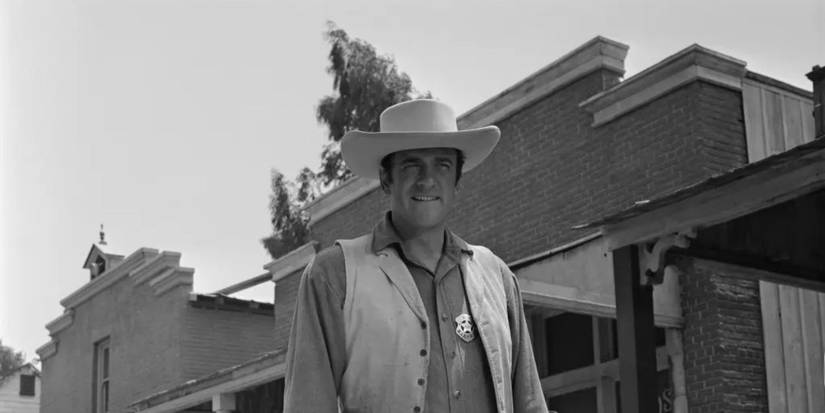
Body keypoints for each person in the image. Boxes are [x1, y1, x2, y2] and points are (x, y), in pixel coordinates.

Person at [284, 99, 549, 413]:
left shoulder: (497, 276)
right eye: (411, 165)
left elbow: (531, 404)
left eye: (442, 164)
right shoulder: (334, 275)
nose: (427, 179)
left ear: (457, 179)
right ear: (386, 178)